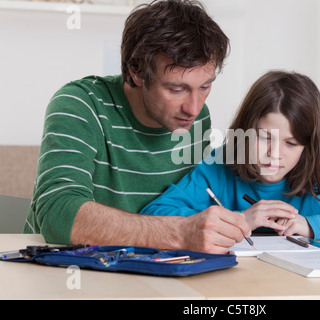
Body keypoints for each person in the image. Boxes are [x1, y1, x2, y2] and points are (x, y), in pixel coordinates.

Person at [23, 0, 252, 254]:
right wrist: (179, 233)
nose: (194, 108)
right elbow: (58, 213)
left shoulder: (197, 120)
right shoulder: (81, 104)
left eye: (205, 86)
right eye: (177, 89)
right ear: (136, 72)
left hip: (155, 269)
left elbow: (191, 202)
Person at [141, 71, 320, 241]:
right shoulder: (220, 165)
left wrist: (312, 225)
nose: (275, 154)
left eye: (291, 143)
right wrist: (239, 221)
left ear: (308, 147)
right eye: (264, 137)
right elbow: (154, 215)